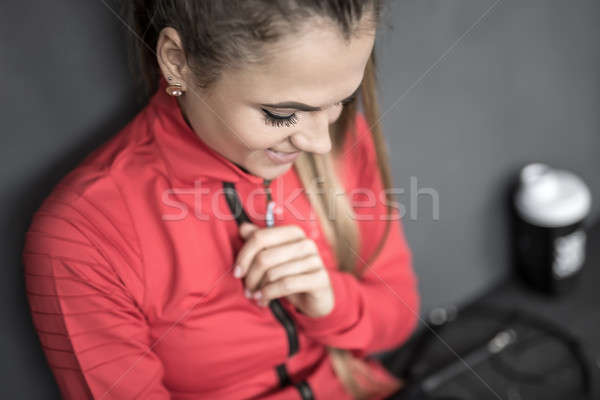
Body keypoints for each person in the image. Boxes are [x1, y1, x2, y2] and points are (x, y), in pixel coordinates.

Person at [22, 1, 420, 399]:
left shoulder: (342, 139)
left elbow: (400, 316)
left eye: (340, 103)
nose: (320, 143)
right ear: (177, 61)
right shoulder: (81, 238)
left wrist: (332, 301)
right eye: (282, 114)